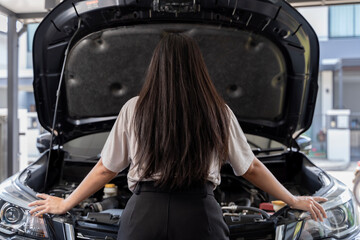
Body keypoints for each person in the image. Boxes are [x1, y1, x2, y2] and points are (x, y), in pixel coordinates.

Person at [29, 33, 327, 240]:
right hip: (200, 215)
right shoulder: (218, 111)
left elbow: (106, 168)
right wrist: (291, 198)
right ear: (198, 67)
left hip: (144, 214)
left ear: (155, 67)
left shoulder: (134, 108)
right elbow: (250, 168)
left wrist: (66, 203)